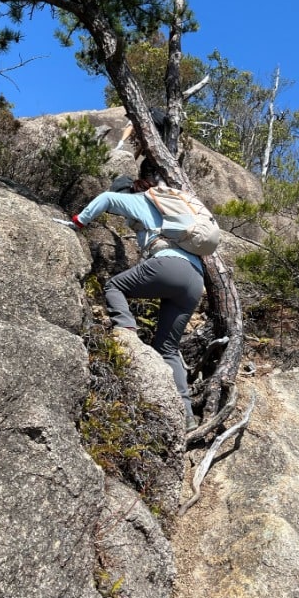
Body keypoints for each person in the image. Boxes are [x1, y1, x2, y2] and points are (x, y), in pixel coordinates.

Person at [71, 168, 203, 431]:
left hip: (168, 266)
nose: (120, 217)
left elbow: (107, 198)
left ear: (128, 192)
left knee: (114, 286)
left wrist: (78, 222)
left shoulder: (138, 198)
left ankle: (127, 331)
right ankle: (187, 415)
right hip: (194, 280)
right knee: (167, 348)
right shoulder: (168, 210)